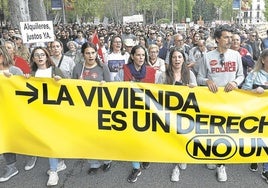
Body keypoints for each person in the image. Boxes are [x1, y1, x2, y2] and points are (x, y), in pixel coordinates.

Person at [197, 24, 244, 182]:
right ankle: (212, 156)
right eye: (226, 37)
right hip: (212, 100)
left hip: (230, 100)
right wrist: (207, 80)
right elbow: (199, 78)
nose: (229, 40)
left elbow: (241, 75)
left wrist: (236, 82)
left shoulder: (236, 55)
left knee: (226, 131)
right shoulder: (207, 56)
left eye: (231, 37)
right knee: (212, 130)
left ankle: (221, 165)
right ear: (217, 39)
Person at [114, 45, 158, 183]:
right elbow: (114, 89)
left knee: (145, 138)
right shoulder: (123, 71)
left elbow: (162, 90)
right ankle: (135, 167)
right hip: (129, 111)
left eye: (143, 55)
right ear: (132, 56)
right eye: (138, 55)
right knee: (132, 140)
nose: (140, 58)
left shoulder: (152, 72)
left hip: (147, 111)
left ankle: (145, 156)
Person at [72, 42, 112, 175]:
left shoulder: (103, 67)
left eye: (93, 53)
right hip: (85, 110)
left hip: (101, 108)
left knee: (103, 137)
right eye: (87, 53)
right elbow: (71, 88)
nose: (91, 55)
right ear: (83, 54)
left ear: (96, 53)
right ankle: (94, 163)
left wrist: (105, 85)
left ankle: (107, 160)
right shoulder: (78, 68)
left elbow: (112, 89)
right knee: (89, 137)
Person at [28, 46, 66, 186]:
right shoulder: (32, 73)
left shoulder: (55, 70)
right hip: (39, 113)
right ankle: (59, 162)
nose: (40, 57)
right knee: (48, 140)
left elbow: (70, 87)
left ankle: (53, 171)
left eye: (42, 54)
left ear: (46, 56)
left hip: (55, 112)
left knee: (51, 141)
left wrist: (60, 81)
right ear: (33, 59)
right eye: (36, 55)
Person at [158, 47, 196, 182]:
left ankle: (182, 157)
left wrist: (192, 88)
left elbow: (197, 95)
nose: (177, 60)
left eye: (180, 57)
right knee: (173, 139)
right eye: (174, 57)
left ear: (184, 59)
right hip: (169, 113)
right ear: (170, 59)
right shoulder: (163, 75)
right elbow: (156, 93)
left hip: (185, 113)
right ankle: (175, 167)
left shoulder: (190, 74)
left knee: (183, 137)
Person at [0, 46, 36, 183]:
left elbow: (24, 90)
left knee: (24, 135)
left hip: (16, 112)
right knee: (5, 138)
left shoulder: (15, 70)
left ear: (3, 55)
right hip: (2, 113)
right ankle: (11, 167)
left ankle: (32, 153)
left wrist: (17, 79)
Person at [242, 49, 268, 176]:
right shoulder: (254, 74)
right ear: (263, 60)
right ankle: (255, 157)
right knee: (258, 138)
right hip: (257, 114)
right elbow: (244, 91)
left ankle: (266, 168)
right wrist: (254, 91)